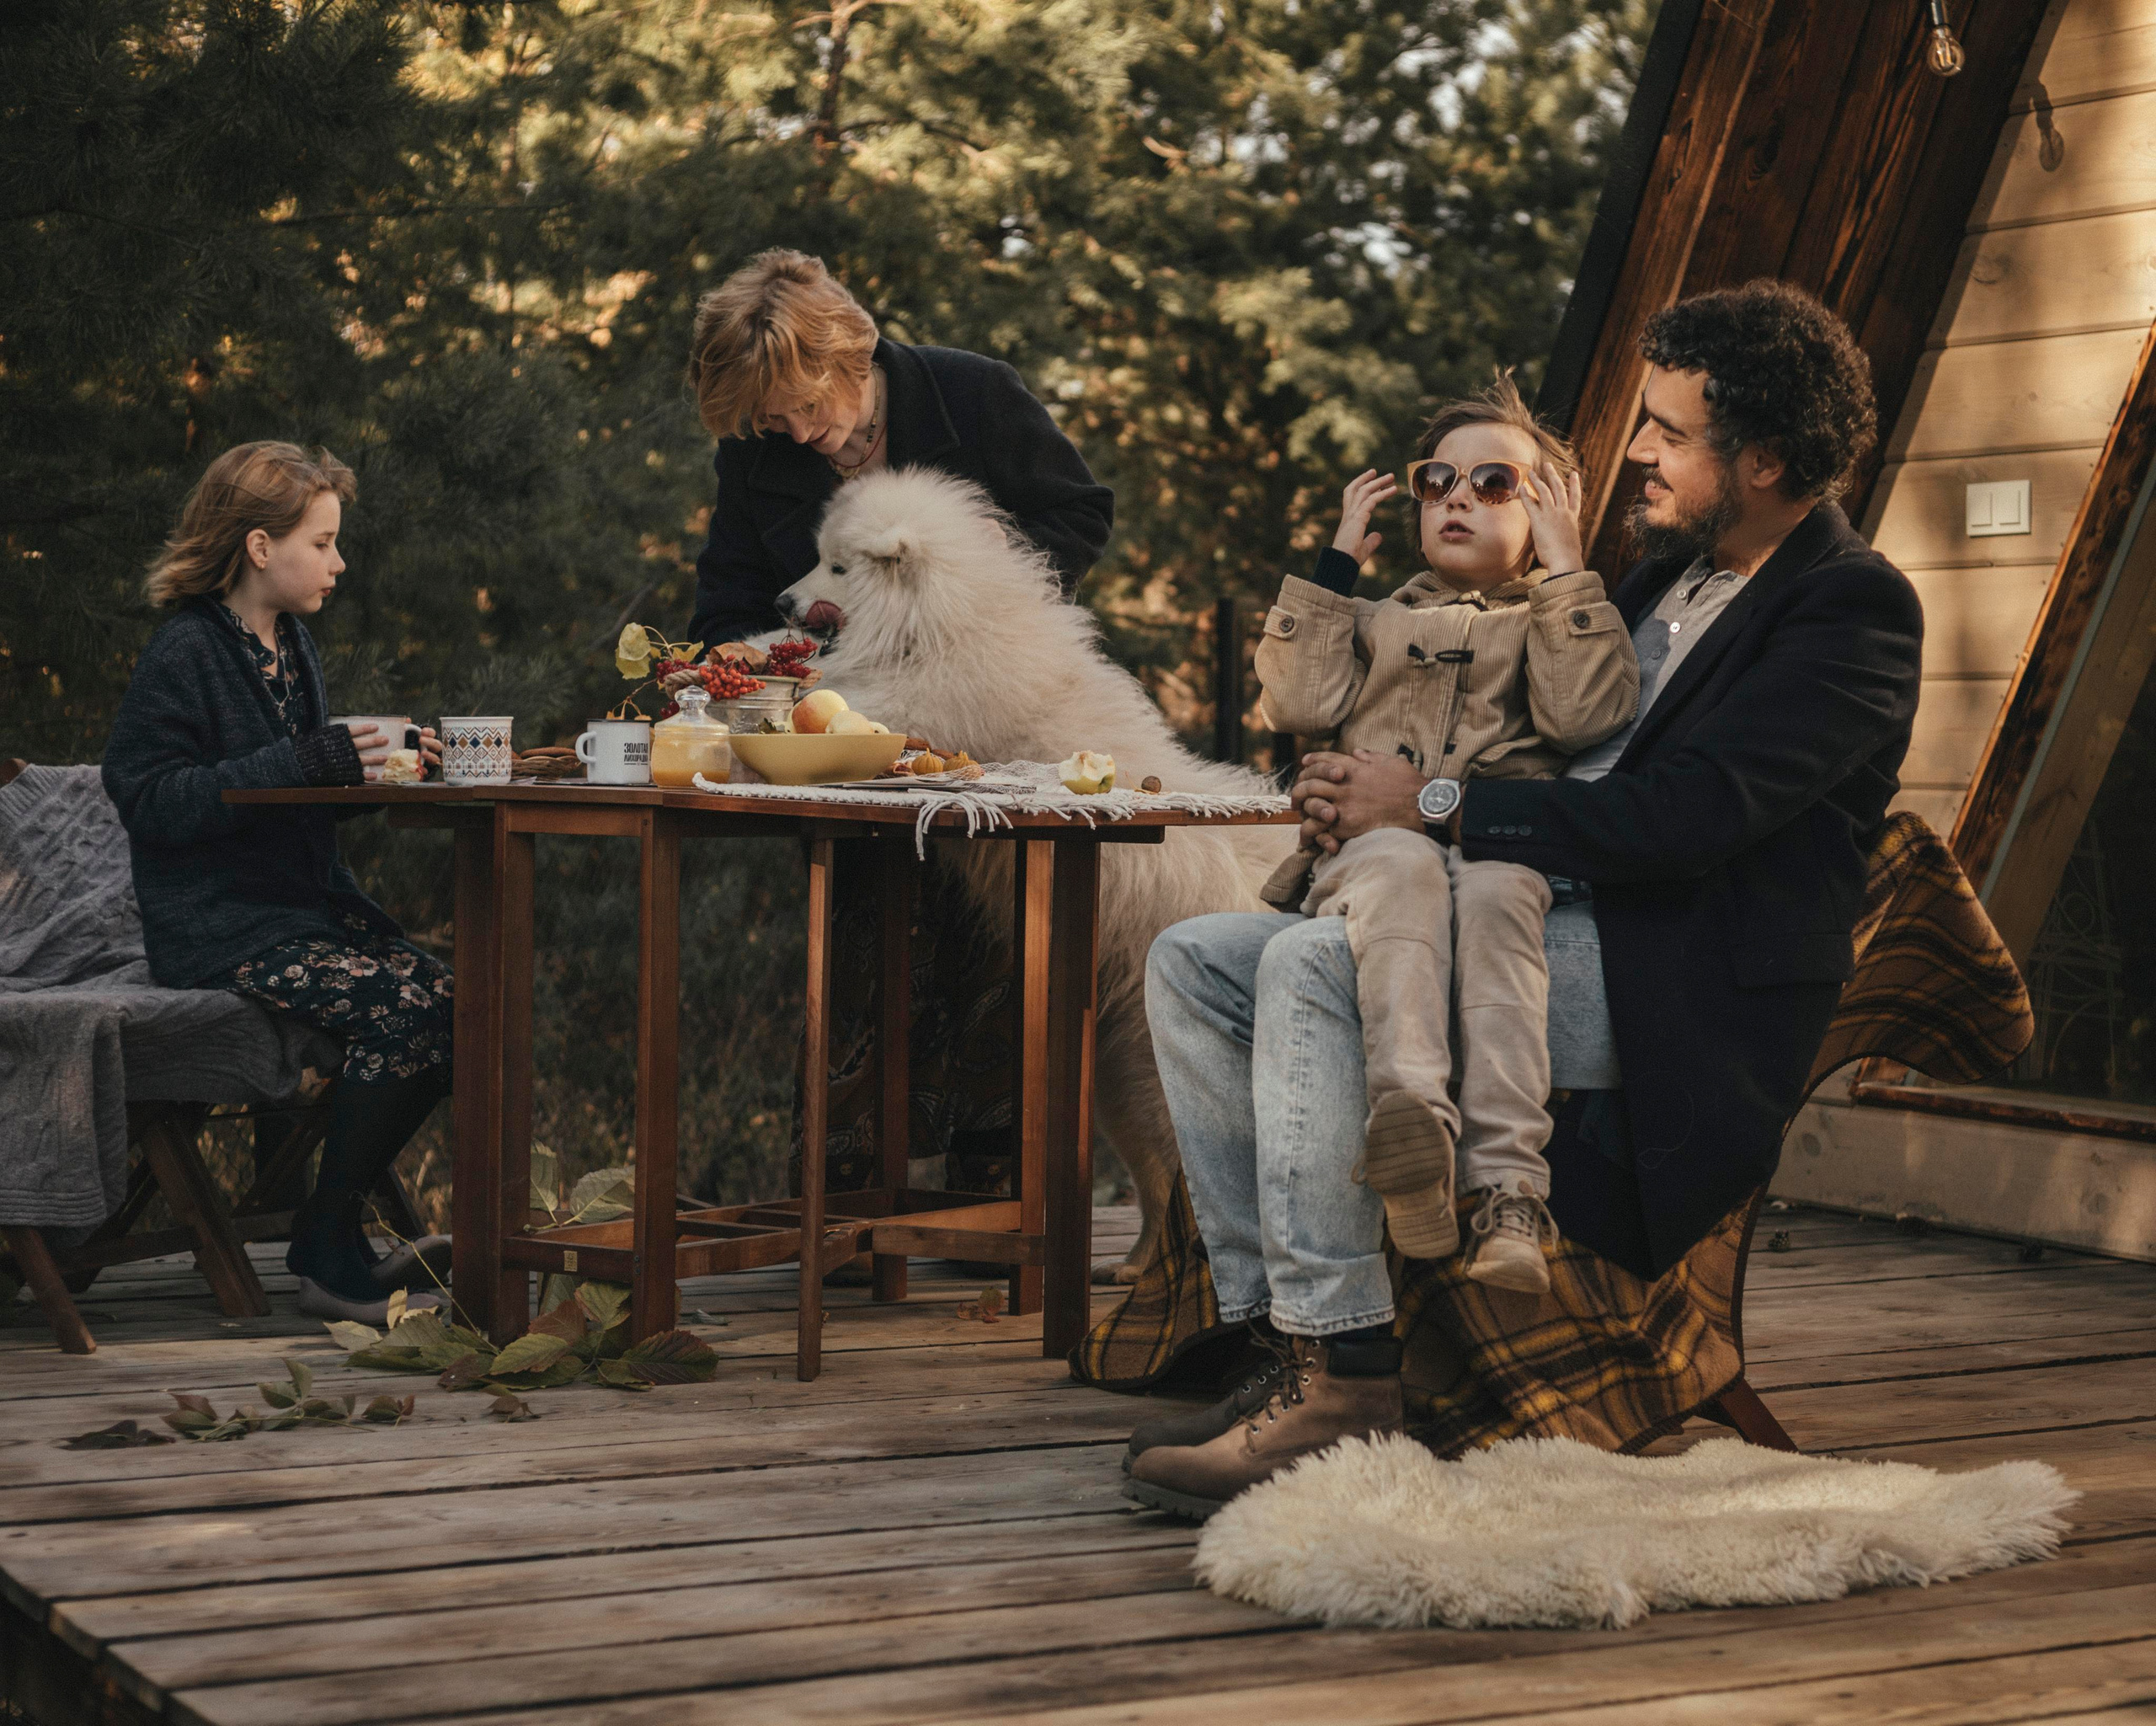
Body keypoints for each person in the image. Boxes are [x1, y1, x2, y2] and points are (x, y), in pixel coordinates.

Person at [1124, 280, 1920, 1522]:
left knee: (1312, 970)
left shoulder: (1850, 609)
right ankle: (1285, 1336)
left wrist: (1426, 805)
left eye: (1667, 431)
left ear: (1763, 458)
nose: (1637, 455)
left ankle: (1346, 1380)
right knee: (1197, 959)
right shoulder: (1664, 582)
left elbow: (1682, 822)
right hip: (1529, 917)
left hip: (1671, 983)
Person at [1249, 376, 1637, 1296]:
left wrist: (1565, 569)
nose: (1457, 496)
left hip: (1500, 851)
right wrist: (1334, 570)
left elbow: (1586, 714)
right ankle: (1412, 1128)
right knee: (1400, 866)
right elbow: (1297, 700)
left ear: (1543, 510)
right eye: (1437, 482)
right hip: (1376, 854)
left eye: (1495, 483)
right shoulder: (1377, 621)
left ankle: (1509, 1194)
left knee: (1504, 892)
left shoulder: (1551, 624)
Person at [102, 441, 453, 1326]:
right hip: (218, 930)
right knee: (408, 1009)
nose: (339, 562)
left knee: (451, 998)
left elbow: (285, 802)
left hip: (292, 919)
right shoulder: (185, 649)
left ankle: (327, 1231)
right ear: (261, 547)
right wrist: (305, 760)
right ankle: (328, 1246)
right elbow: (145, 797)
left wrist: (376, 778)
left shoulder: (289, 644)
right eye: (324, 542)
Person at [683, 248, 1114, 648]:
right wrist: (747, 668)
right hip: (822, 703)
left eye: (809, 405)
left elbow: (1082, 514)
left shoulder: (975, 391)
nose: (796, 433)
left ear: (849, 355)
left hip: (985, 675)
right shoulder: (751, 449)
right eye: (772, 417)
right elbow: (728, 604)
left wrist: (1002, 552)